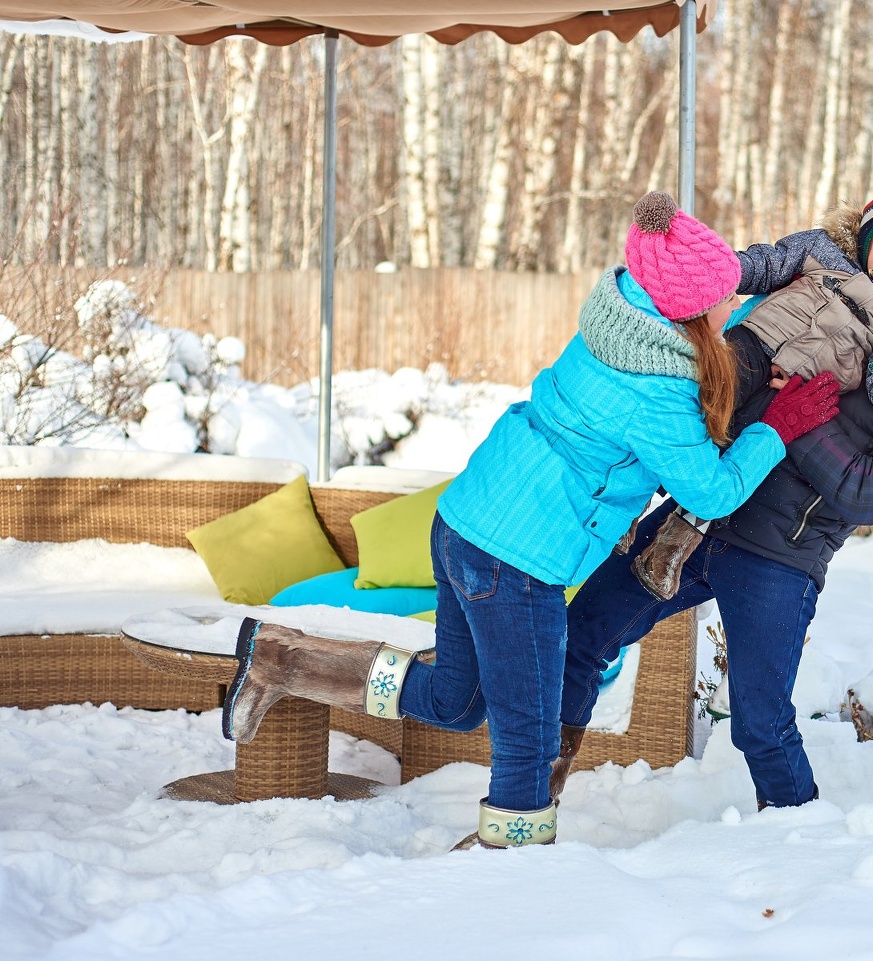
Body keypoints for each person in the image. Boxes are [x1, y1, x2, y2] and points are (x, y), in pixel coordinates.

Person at [219, 191, 841, 850]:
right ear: (687, 310)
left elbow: (687, 365)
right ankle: (510, 868)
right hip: (517, 562)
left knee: (456, 702)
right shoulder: (655, 391)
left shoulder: (621, 318)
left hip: (464, 520)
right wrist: (778, 425)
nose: (733, 303)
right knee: (528, 746)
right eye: (724, 296)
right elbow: (714, 493)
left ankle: (283, 657)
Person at [553, 272, 873, 811]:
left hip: (778, 559)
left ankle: (799, 839)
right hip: (701, 517)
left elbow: (866, 490)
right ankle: (532, 800)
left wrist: (793, 415)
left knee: (760, 724)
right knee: (581, 636)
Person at [630, 180, 873, 598]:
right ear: (867, 238)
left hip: (793, 392)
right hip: (753, 345)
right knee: (697, 412)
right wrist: (724, 270)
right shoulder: (823, 249)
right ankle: (629, 504)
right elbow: (769, 264)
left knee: (745, 455)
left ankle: (672, 545)